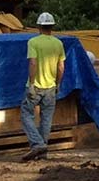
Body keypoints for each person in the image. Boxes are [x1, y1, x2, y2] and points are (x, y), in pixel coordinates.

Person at [22, 13, 66, 162]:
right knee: (46, 119)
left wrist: (32, 84)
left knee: (26, 114)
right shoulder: (58, 44)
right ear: (52, 27)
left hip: (36, 86)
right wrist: (58, 83)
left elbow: (33, 63)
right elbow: (61, 66)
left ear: (39, 26)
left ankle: (38, 144)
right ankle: (42, 153)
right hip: (51, 87)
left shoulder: (33, 42)